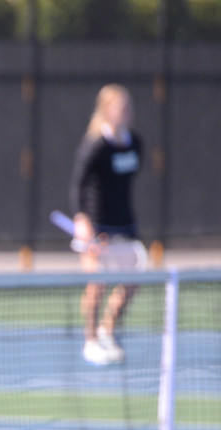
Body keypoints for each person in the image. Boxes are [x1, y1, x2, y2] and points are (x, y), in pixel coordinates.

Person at [69, 83, 146, 366]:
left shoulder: (135, 143)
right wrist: (82, 219)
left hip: (124, 226)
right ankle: (90, 341)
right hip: (96, 226)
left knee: (134, 282)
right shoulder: (95, 145)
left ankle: (108, 329)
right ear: (107, 110)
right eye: (121, 106)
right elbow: (78, 184)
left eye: (129, 106)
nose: (127, 112)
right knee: (97, 283)